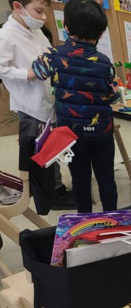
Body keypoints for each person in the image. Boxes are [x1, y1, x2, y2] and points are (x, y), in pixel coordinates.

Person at [31, 0, 118, 213]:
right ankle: (111, 221)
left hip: (71, 134)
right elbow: (113, 96)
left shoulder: (54, 55)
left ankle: (85, 222)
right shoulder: (105, 62)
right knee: (106, 178)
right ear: (102, 31)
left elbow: (38, 70)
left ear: (66, 27)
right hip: (102, 132)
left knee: (80, 180)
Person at [0, 0, 74, 214]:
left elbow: (47, 54)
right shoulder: (6, 36)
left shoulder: (35, 31)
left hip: (45, 98)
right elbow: (2, 69)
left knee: (52, 146)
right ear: (18, 7)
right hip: (28, 104)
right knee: (42, 152)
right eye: (39, 11)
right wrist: (27, 74)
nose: (42, 18)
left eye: (44, 12)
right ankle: (53, 193)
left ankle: (57, 188)